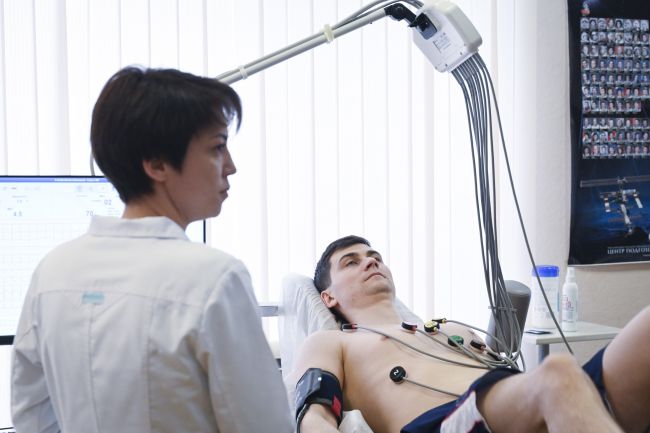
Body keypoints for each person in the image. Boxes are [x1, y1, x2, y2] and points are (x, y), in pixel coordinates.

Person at [11, 67, 294, 432]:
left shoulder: (52, 271)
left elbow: (30, 415)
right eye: (217, 147)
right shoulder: (214, 278)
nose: (231, 166)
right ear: (157, 164)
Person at [288, 235, 650, 433]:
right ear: (328, 297)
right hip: (440, 424)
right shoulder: (332, 341)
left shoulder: (450, 328)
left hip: (520, 407)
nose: (371, 261)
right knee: (559, 373)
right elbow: (314, 416)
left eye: (374, 256)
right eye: (351, 262)